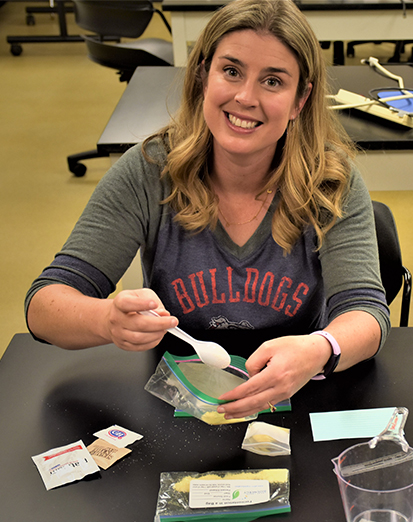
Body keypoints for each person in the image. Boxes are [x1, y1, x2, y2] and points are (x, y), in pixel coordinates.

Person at [25, 0, 390, 420]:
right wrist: (107, 318)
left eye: (273, 81)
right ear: (203, 75)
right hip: (175, 402)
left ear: (299, 100)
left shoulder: (329, 180)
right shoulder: (148, 171)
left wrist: (320, 348)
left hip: (299, 393)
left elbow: (367, 314)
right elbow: (43, 307)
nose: (245, 97)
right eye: (231, 71)